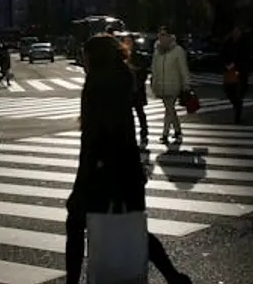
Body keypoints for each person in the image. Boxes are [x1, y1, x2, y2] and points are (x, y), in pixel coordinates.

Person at [65, 34, 192, 284]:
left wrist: (81, 186)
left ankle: (71, 283)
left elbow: (92, 139)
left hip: (103, 172)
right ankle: (173, 277)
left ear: (94, 58)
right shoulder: (123, 78)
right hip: (128, 169)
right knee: (133, 227)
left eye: (84, 56)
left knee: (76, 223)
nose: (83, 61)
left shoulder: (96, 85)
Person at [149, 27, 190, 145]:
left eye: (164, 35)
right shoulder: (157, 50)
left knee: (169, 109)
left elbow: (183, 68)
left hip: (173, 84)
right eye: (160, 35)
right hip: (161, 84)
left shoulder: (178, 50)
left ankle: (165, 134)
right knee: (170, 109)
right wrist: (153, 81)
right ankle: (177, 131)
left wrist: (186, 83)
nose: (161, 37)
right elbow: (154, 67)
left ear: (169, 36)